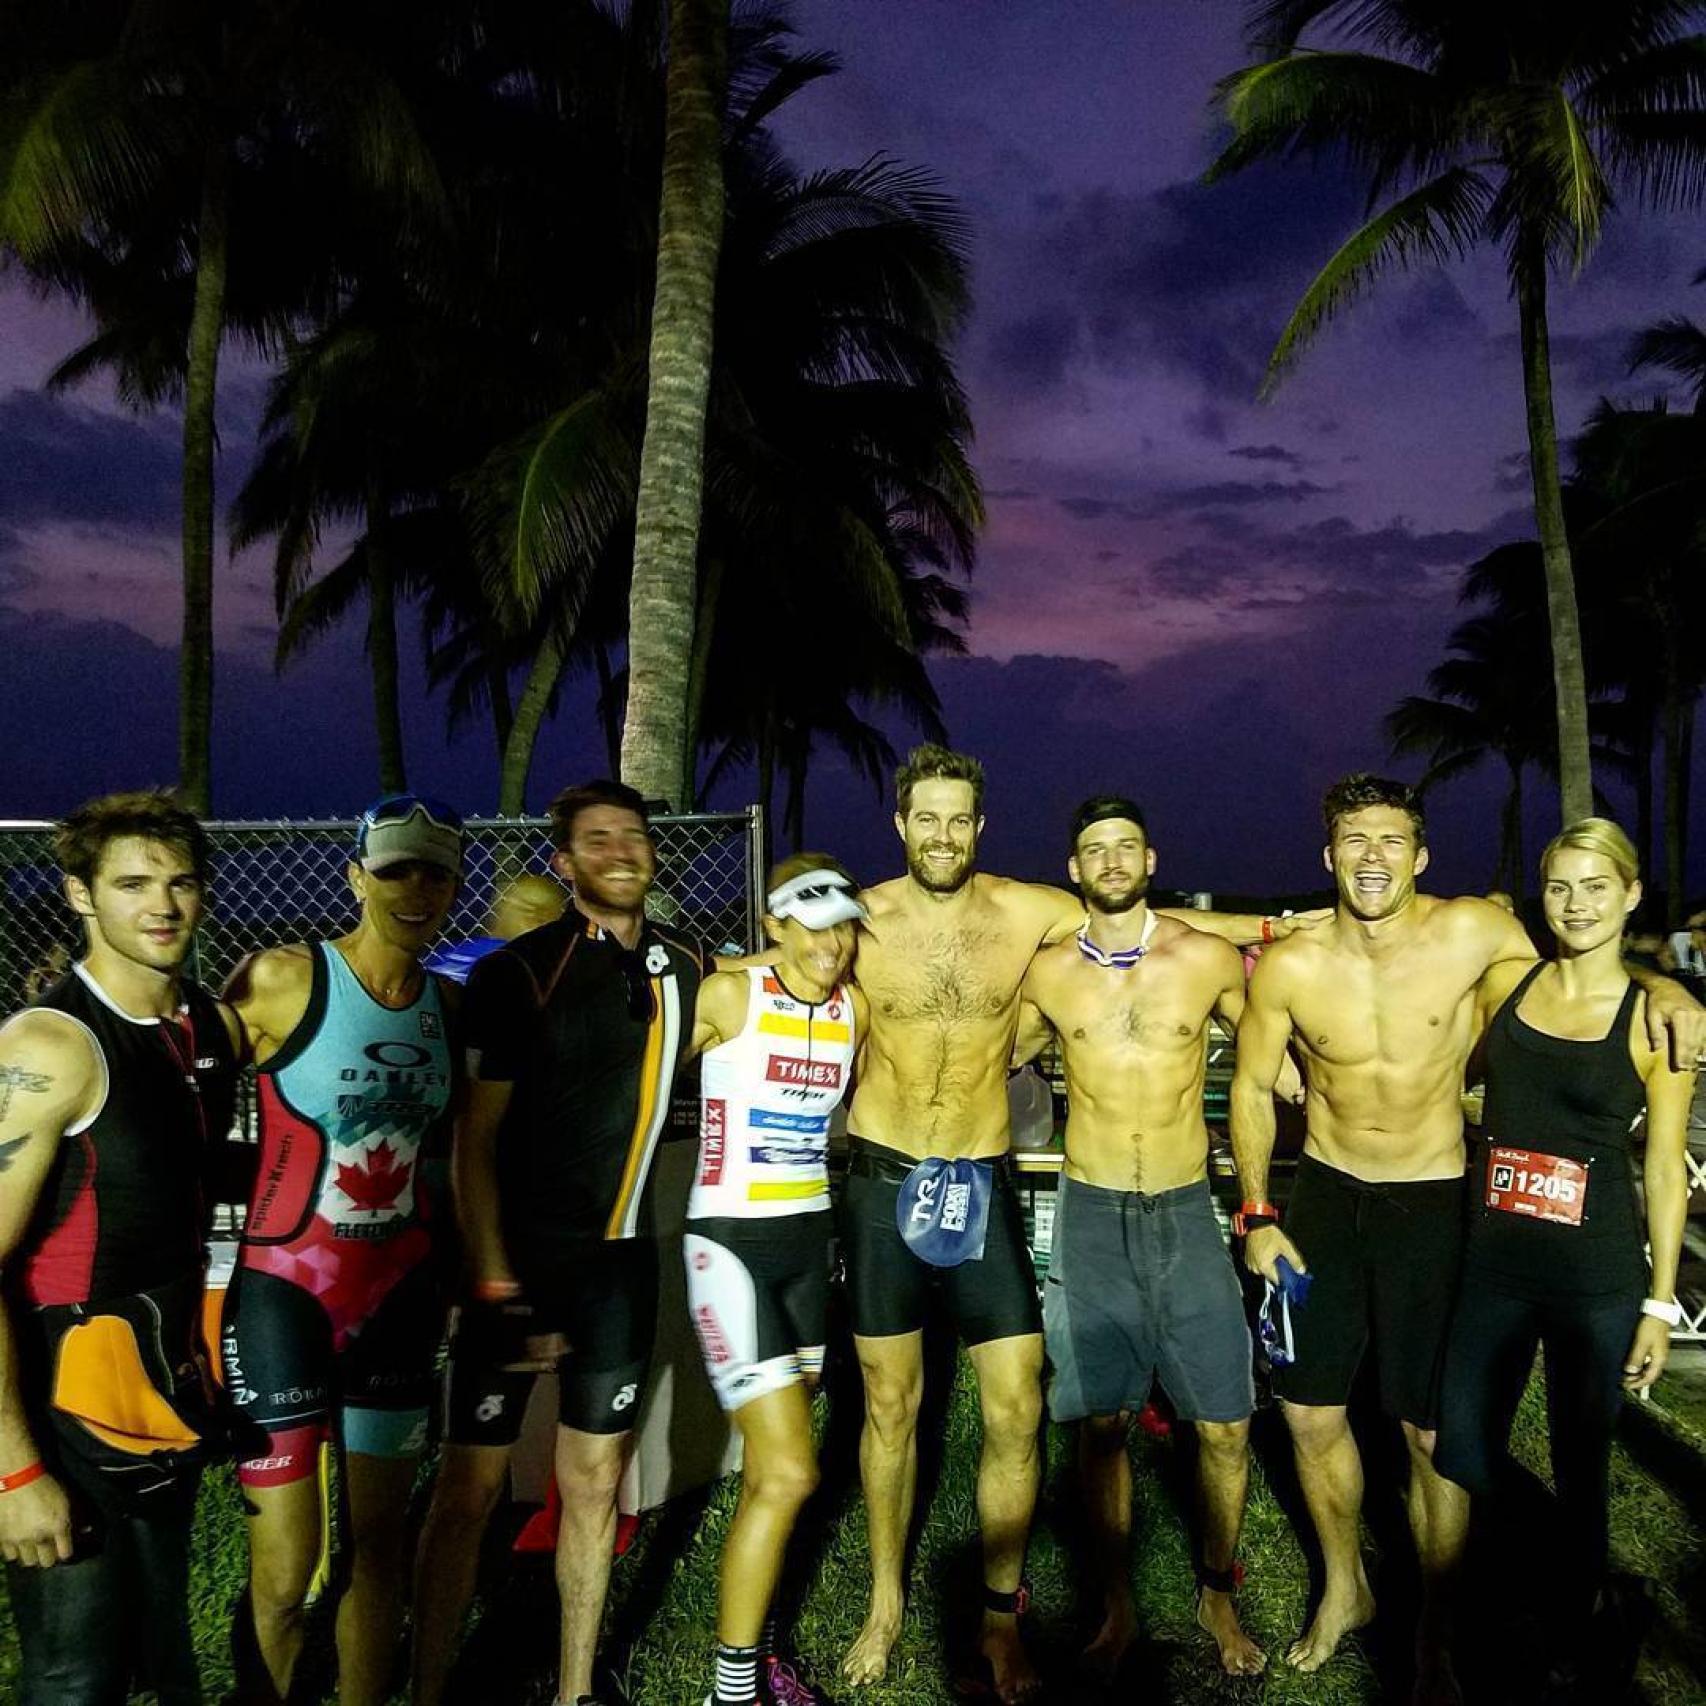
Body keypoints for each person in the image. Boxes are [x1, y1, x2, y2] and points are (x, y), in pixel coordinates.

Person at [838, 744, 1320, 1701]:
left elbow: (1160, 923)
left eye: (959, 819)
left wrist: (1274, 923)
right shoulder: (859, 919)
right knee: (891, 1407)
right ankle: (886, 1604)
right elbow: (777, 965)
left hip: (985, 1180)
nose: (942, 834)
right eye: (924, 818)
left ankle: (1002, 1621)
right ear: (900, 826)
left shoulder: (1030, 913)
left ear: (980, 828)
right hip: (884, 1172)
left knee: (1019, 1408)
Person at [1230, 774, 1703, 1701]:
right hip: (1325, 1196)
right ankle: (1346, 1589)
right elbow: (1250, 1088)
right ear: (1329, 856)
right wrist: (1255, 1213)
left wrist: (1664, 983)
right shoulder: (1290, 963)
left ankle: (1438, 1626)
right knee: (1309, 1413)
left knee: (1429, 1430)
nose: (1373, 857)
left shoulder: (1476, 935)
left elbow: (1577, 972)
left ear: (1422, 853)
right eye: (1354, 840)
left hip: (1436, 1198)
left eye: (1392, 839)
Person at [412, 779, 705, 1706]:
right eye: (597, 838)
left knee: (594, 1483)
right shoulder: (515, 972)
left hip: (620, 1267)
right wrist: (494, 1274)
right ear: (565, 862)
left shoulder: (689, 969)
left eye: (634, 834)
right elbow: (476, 1137)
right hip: (518, 1265)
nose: (621, 850)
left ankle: (577, 1689)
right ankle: (425, 1687)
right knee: (469, 1493)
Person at [1012, 797, 1286, 1681]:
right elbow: (979, 1051)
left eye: (1126, 846)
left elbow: (1272, 1046)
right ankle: (1118, 1598)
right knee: (1101, 1423)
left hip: (1182, 1208)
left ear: (1151, 856)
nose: (1113, 859)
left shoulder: (1204, 959)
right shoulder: (1049, 972)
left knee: (1228, 1425)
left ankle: (1216, 1588)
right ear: (1075, 869)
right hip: (1089, 1207)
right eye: (1096, 849)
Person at [1435, 819, 1692, 1691]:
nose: (1576, 905)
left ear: (1630, 896)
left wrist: (1659, 1301)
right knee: (1463, 1447)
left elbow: (1660, 1166)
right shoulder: (1507, 985)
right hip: (1495, 1265)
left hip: (1596, 1278)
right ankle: (1523, 1594)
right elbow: (1452, 1076)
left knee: (1583, 1467)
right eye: (1560, 887)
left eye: (1595, 887)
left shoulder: (1655, 1020)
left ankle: (1580, 1626)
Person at [0, 789, 241, 1705]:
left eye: (181, 883)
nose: (162, 906)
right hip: (58, 1416)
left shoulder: (204, 1028)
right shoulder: (51, 1045)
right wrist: (14, 1470)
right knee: (74, 1678)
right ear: (79, 896)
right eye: (132, 884)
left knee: (164, 1661)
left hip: (155, 1395)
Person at [222, 794, 462, 1706]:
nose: (417, 888)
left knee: (379, 1550)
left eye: (436, 871)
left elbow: (454, 1157)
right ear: (356, 876)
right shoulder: (284, 980)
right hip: (285, 1293)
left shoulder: (450, 1007)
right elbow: (184, 1092)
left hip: (399, 1297)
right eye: (397, 868)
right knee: (286, 1574)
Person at [684, 853, 869, 1706]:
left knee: (772, 1474)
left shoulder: (852, 1012)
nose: (831, 944)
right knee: (793, 1472)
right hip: (731, 1248)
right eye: (811, 922)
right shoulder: (729, 997)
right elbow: (638, 1075)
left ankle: (753, 1660)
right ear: (774, 923)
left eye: (843, 925)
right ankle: (731, 1690)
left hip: (806, 1248)